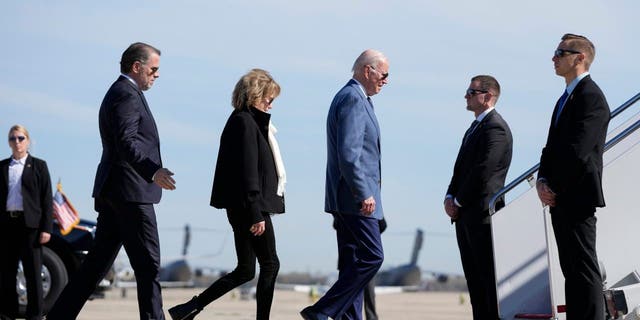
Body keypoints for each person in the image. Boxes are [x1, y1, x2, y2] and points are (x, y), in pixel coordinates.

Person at [47, 42, 176, 320]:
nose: (157, 75)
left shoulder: (121, 92)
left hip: (116, 192)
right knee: (148, 266)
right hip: (131, 194)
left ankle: (58, 316)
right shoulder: (126, 94)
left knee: (95, 266)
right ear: (136, 67)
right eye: (153, 69)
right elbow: (125, 142)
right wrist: (153, 172)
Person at [168, 68, 286, 320]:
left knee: (245, 270)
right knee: (270, 264)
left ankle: (189, 308)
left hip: (243, 206)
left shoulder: (246, 121)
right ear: (254, 94)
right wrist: (256, 212)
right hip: (249, 206)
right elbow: (247, 172)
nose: (271, 102)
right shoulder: (244, 122)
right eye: (268, 96)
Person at [300, 49, 388, 320]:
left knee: (352, 262)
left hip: (348, 196)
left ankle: (349, 317)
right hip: (355, 197)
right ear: (367, 71)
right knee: (373, 256)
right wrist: (364, 193)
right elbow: (349, 155)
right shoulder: (353, 98)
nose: (385, 81)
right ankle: (322, 310)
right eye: (384, 75)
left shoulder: (357, 98)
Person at [536, 33, 609, 320]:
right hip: (558, 196)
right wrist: (542, 180)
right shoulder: (564, 100)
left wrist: (553, 185)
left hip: (576, 195)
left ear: (579, 58)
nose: (554, 58)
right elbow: (551, 147)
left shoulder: (592, 97)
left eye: (560, 52)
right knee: (570, 269)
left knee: (583, 268)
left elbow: (578, 151)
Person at [444, 75, 513, 319]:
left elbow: (484, 171)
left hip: (482, 217)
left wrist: (459, 200)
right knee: (475, 284)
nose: (466, 95)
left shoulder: (496, 127)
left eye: (471, 92)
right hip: (465, 216)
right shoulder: (474, 128)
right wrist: (449, 195)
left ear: (488, 96)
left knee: (486, 284)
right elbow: (460, 169)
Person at [0, 125, 53, 320]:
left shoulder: (39, 166)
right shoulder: (3, 167)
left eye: (21, 138)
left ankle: (35, 315)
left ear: (28, 141)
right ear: (9, 142)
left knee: (32, 274)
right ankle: (7, 314)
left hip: (30, 226)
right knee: (6, 274)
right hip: (6, 226)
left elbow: (47, 199)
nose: (17, 142)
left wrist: (46, 228)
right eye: (13, 138)